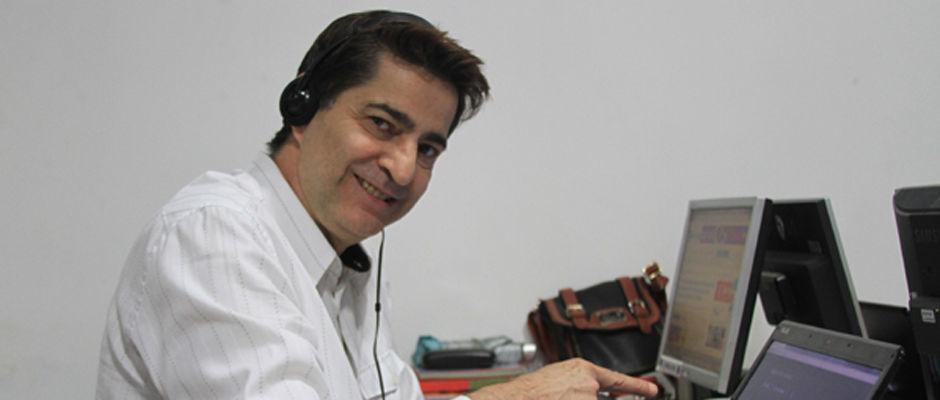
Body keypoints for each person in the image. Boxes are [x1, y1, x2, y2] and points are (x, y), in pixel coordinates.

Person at [96, 10, 658, 400]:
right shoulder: (215, 236)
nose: (404, 168)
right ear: (302, 108)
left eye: (428, 148)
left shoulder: (343, 265)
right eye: (382, 124)